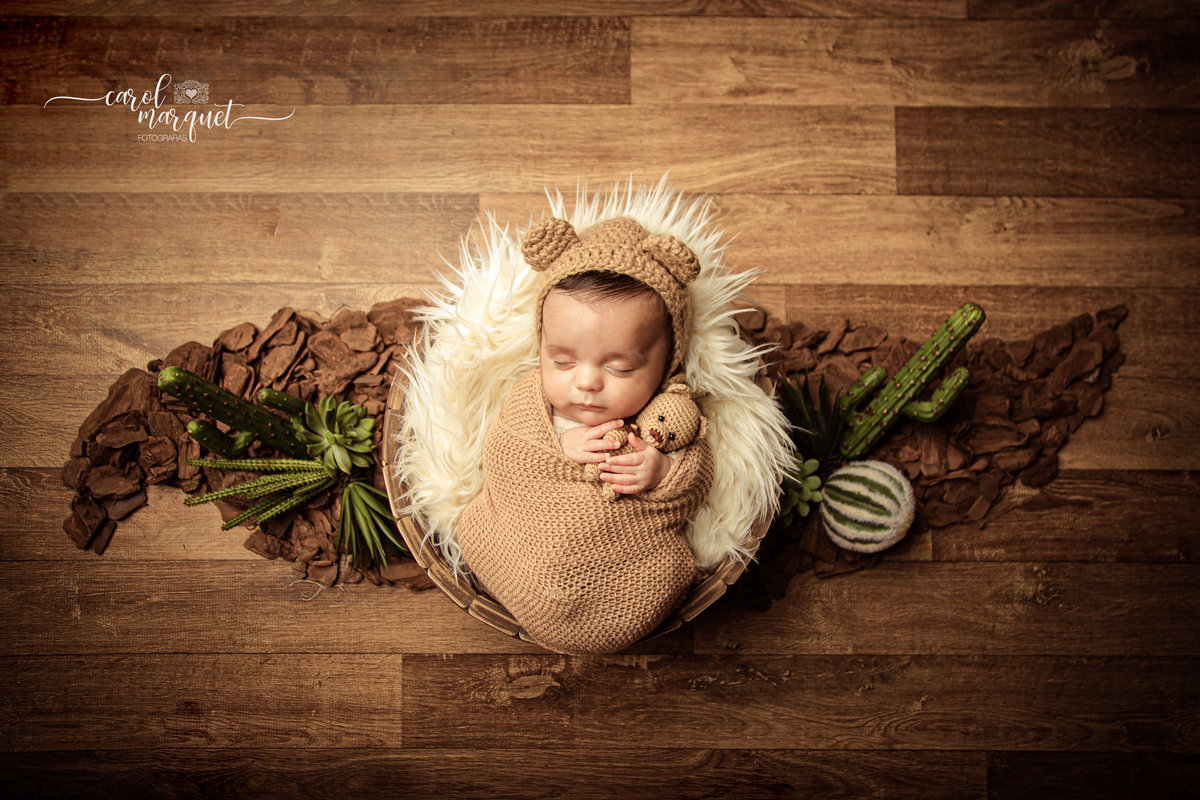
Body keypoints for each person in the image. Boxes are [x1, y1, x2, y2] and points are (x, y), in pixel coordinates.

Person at [454, 216, 716, 655]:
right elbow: (501, 451)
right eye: (562, 362)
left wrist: (661, 471)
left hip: (621, 569)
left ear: (667, 361)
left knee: (673, 569)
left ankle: (583, 622)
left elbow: (699, 481)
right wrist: (557, 449)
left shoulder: (667, 416)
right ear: (542, 347)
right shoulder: (531, 399)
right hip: (513, 541)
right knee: (476, 524)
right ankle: (519, 582)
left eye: (620, 367)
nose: (587, 382)